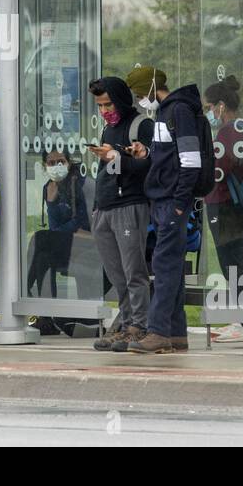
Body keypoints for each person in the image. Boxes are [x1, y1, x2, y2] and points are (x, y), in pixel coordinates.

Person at [125, 66, 203, 355]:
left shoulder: (177, 111)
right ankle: (176, 332)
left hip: (172, 202)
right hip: (164, 200)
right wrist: (145, 154)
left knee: (164, 267)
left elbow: (190, 160)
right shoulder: (163, 112)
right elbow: (168, 158)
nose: (138, 100)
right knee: (170, 267)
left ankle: (158, 332)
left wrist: (181, 206)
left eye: (138, 94)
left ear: (150, 88)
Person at [86, 76, 153, 352]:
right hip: (105, 206)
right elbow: (107, 169)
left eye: (108, 104)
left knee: (133, 270)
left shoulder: (141, 125)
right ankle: (126, 324)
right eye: (100, 106)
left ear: (121, 100)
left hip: (130, 205)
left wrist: (119, 158)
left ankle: (140, 326)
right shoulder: (108, 129)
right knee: (116, 274)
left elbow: (151, 165)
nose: (104, 111)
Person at [203, 75, 243, 344]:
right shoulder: (240, 128)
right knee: (236, 262)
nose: (208, 112)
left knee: (231, 263)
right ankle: (240, 320)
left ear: (220, 106)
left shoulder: (228, 132)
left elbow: (218, 171)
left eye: (209, 107)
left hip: (224, 204)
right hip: (233, 205)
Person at [27, 149, 90, 298]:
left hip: (85, 242)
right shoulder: (49, 187)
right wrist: (51, 202)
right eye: (51, 162)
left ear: (68, 163)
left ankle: (25, 287)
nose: (57, 166)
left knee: (40, 237)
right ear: (45, 165)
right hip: (65, 243)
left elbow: (81, 220)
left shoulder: (79, 182)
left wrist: (57, 232)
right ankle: (48, 314)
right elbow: (53, 226)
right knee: (42, 259)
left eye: (61, 161)